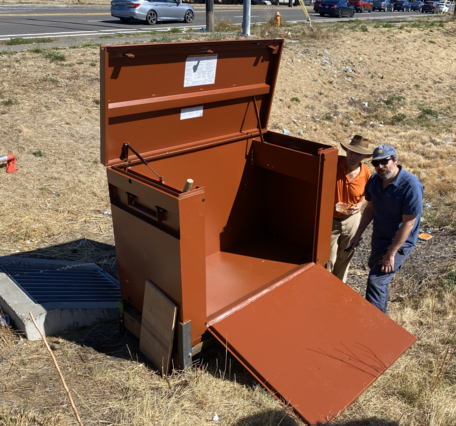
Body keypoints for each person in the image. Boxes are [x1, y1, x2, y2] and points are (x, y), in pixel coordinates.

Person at [350, 145, 424, 313]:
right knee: (376, 272)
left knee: (376, 280)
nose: (380, 167)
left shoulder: (410, 185)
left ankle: (375, 324)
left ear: (395, 161)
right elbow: (370, 208)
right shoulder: (374, 181)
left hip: (399, 242)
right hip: (380, 237)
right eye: (376, 163)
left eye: (385, 162)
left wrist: (391, 254)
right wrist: (358, 234)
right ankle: (380, 315)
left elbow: (409, 223)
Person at [326, 135, 372, 283]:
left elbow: (367, 194)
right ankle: (324, 284)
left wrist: (359, 205)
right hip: (329, 218)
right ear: (346, 151)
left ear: (364, 156)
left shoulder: (366, 173)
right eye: (351, 152)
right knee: (328, 258)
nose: (353, 156)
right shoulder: (333, 164)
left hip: (352, 219)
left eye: (358, 154)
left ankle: (338, 286)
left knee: (345, 255)